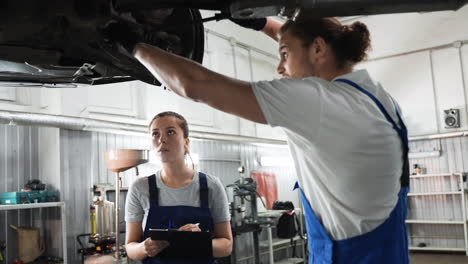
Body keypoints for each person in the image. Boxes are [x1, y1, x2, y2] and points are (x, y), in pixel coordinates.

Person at [109, 14, 409, 264]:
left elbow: (193, 84)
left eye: (284, 55)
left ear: (318, 49)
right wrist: (262, 22)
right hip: (388, 252)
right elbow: (313, 38)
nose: (280, 68)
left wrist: (133, 45)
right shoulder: (378, 98)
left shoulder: (316, 101)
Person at [124, 111, 232, 263]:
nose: (162, 139)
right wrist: (144, 248)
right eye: (155, 134)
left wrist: (197, 242)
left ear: (186, 142)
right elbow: (130, 247)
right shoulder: (140, 188)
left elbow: (226, 245)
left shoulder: (211, 185)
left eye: (170, 132)